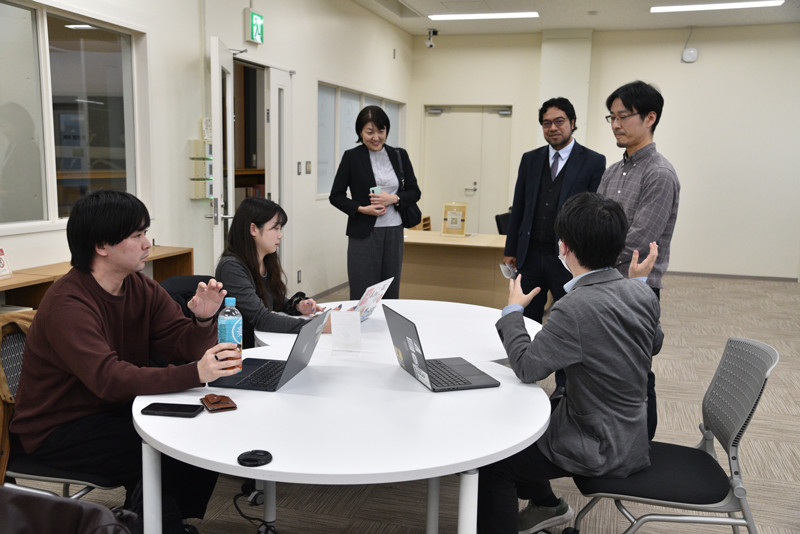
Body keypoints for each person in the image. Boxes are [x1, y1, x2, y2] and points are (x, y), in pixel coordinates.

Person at [9, 190, 242, 533]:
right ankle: (157, 524)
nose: (147, 243)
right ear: (102, 245)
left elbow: (180, 344)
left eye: (145, 232)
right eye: (137, 235)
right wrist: (195, 372)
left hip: (113, 407)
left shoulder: (139, 287)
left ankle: (157, 520)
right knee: (162, 448)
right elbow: (109, 379)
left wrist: (203, 321)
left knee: (197, 432)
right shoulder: (67, 303)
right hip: (58, 428)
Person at [477, 192, 663, 534]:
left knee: (494, 464)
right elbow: (654, 344)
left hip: (599, 442)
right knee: (526, 427)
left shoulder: (574, 307)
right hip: (631, 432)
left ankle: (541, 506)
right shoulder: (642, 291)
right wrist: (636, 284)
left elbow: (528, 368)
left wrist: (513, 310)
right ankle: (547, 507)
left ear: (564, 248)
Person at [597, 80, 680, 439]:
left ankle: (640, 447)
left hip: (635, 289)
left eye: (624, 116)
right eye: (611, 117)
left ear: (650, 117)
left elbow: (639, 239)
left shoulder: (659, 173)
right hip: (601, 283)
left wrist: (588, 257)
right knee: (602, 369)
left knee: (635, 372)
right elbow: (594, 221)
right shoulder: (614, 171)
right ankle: (606, 440)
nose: (616, 124)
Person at [503, 97, 606, 324]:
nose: (553, 128)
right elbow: (518, 206)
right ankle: (527, 357)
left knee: (569, 318)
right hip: (530, 256)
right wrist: (511, 248)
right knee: (527, 316)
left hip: (568, 258)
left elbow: (593, 213)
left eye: (559, 121)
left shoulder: (593, 161)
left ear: (572, 122)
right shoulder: (530, 159)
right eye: (546, 123)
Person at [329, 105, 421, 300]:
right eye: (370, 132)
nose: (376, 137)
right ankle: (361, 329)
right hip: (363, 233)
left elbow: (414, 192)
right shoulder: (352, 157)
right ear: (360, 132)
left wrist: (394, 198)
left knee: (390, 289)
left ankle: (387, 329)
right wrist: (362, 209)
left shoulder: (399, 155)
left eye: (381, 131)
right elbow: (336, 196)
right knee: (363, 291)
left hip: (394, 231)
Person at [215, 197, 325, 349]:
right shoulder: (231, 267)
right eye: (275, 228)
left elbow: (276, 300)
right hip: (240, 354)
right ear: (253, 229)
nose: (280, 235)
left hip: (261, 345)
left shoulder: (266, 258)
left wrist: (298, 306)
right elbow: (262, 318)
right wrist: (317, 325)